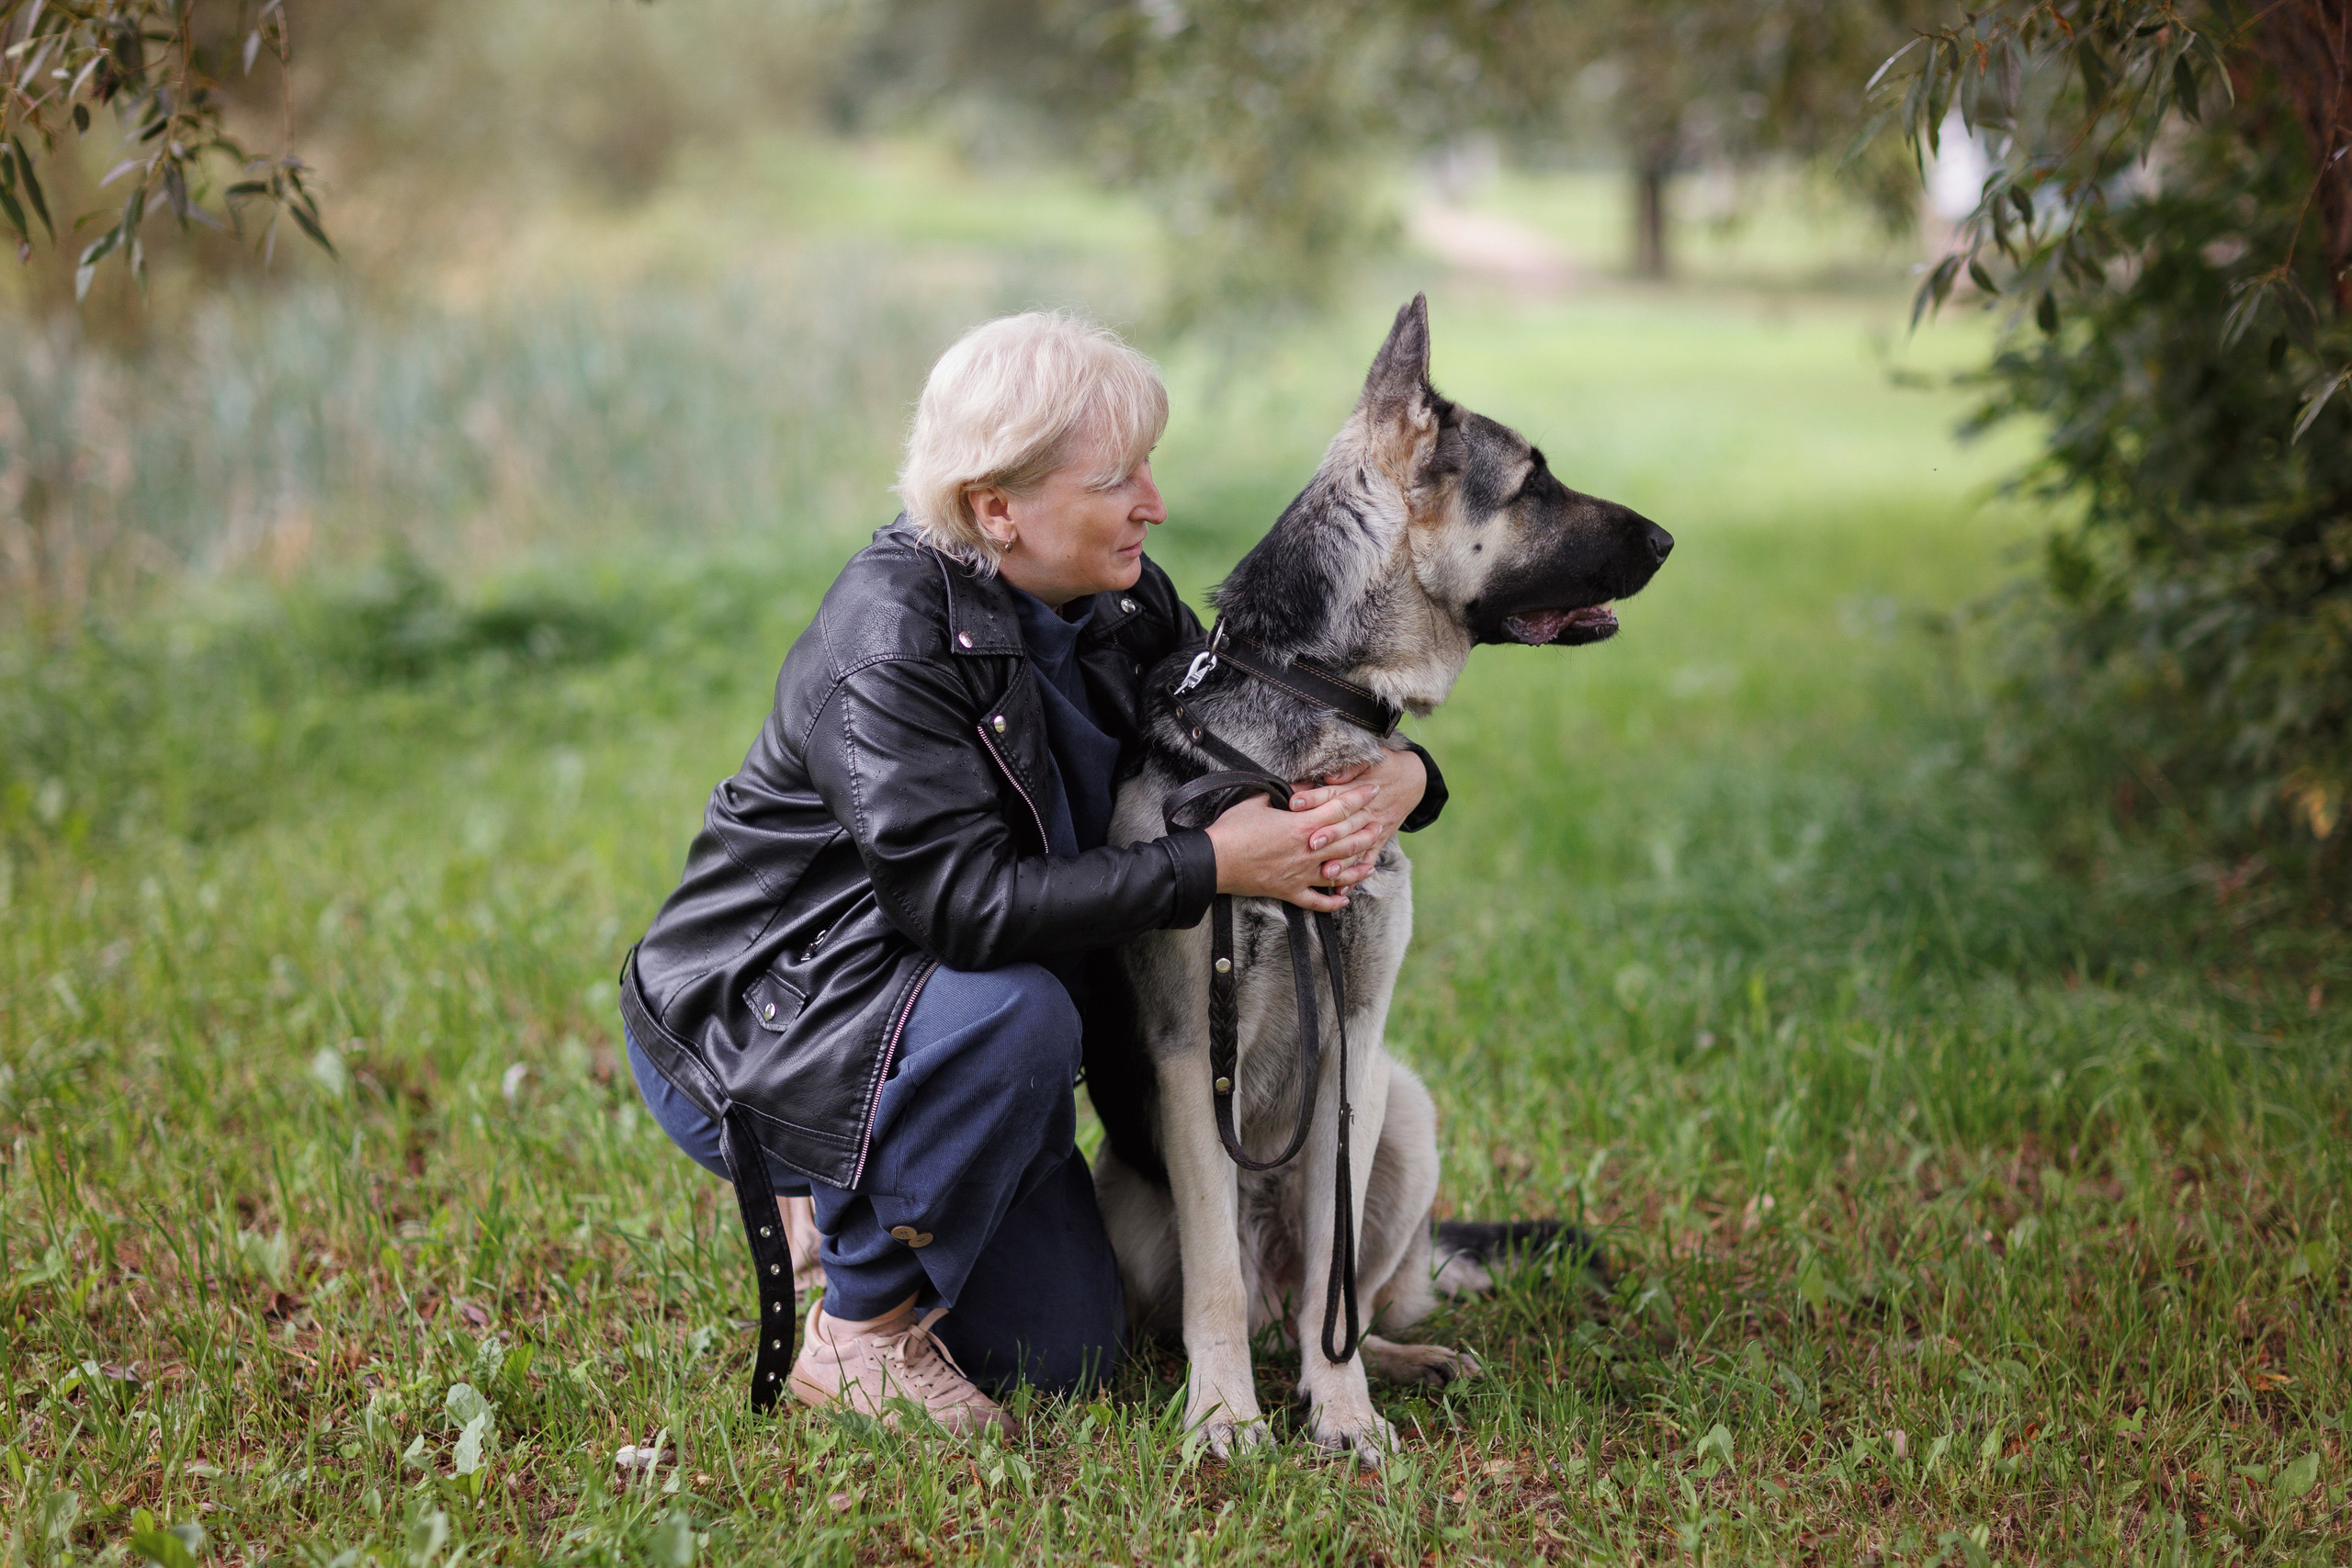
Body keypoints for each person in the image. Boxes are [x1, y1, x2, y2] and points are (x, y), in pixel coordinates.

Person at [617, 312, 1445, 1435]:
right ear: (994, 508)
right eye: (1117, 479)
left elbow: (1264, 728)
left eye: (1149, 466)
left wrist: (1405, 776)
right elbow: (964, 909)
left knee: (1063, 1352)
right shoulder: (888, 645)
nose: (1153, 501)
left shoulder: (1119, 596)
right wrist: (1206, 864)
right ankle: (854, 1325)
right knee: (1020, 1020)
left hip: (950, 1015)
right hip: (780, 1020)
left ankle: (882, 1191)